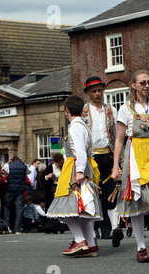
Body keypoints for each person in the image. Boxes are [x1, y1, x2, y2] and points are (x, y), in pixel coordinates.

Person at [111, 70, 149, 263]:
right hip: (135, 152)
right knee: (135, 202)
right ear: (134, 85)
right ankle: (141, 247)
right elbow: (119, 140)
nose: (146, 86)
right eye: (142, 83)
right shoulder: (124, 109)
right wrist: (116, 166)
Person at [46, 95, 102, 257]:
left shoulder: (75, 127)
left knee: (66, 207)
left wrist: (78, 171)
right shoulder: (83, 126)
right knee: (83, 208)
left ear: (67, 110)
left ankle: (79, 240)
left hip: (75, 169)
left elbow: (80, 152)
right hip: (85, 168)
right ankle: (90, 244)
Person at [81, 76, 119, 244]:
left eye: (99, 90)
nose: (97, 94)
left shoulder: (111, 110)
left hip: (108, 155)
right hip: (91, 157)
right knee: (93, 193)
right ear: (88, 93)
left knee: (110, 191)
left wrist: (119, 160)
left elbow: (118, 136)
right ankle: (94, 230)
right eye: (94, 91)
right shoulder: (82, 112)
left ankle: (109, 228)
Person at [3, 156, 28, 234]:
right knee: (19, 209)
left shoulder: (9, 166)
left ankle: (7, 225)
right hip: (20, 190)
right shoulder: (24, 166)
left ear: (12, 160)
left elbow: (3, 171)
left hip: (11, 189)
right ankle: (17, 229)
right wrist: (24, 163)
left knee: (7, 206)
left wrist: (7, 163)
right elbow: (29, 172)